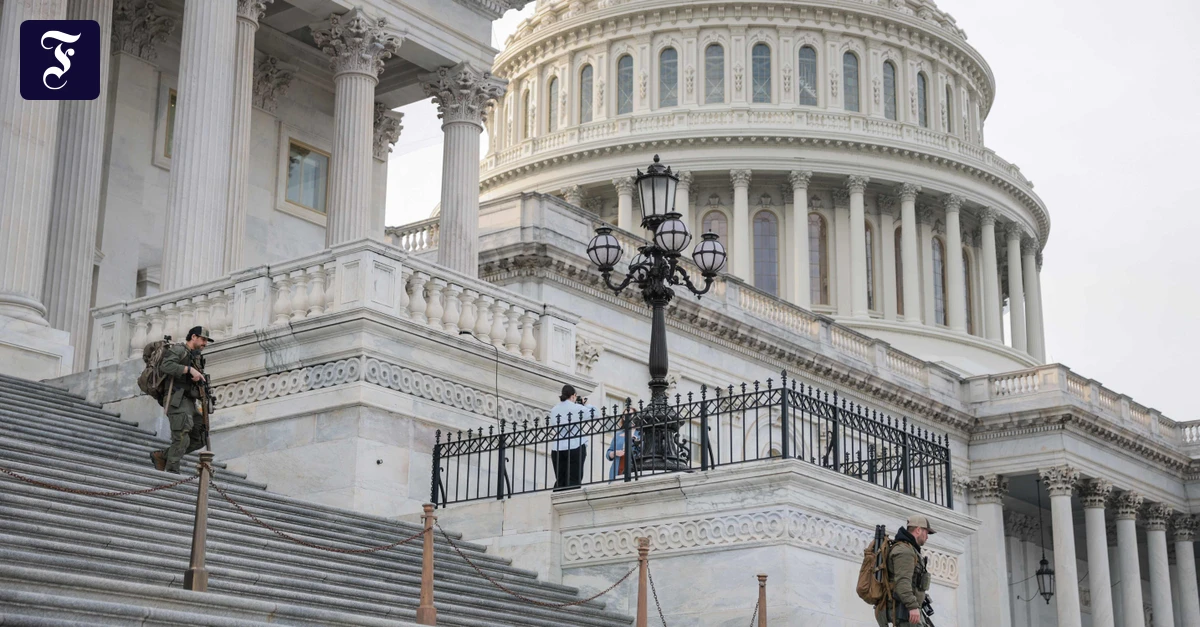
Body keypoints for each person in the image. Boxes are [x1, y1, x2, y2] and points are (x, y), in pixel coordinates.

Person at [149, 326, 212, 474]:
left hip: (190, 401)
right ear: (194, 337)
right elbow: (166, 366)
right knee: (182, 435)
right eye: (203, 339)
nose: (205, 343)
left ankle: (162, 456)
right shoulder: (179, 350)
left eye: (206, 341)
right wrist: (189, 370)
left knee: (200, 437)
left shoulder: (195, 356)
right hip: (176, 399)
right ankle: (172, 472)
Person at [876, 514, 934, 626]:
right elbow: (902, 583)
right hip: (903, 614)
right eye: (926, 532)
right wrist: (912, 606)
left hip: (907, 613)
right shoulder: (904, 551)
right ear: (918, 530)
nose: (927, 537)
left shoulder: (910, 550)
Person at [547, 384, 599, 490]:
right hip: (576, 445)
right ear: (573, 395)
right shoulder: (577, 408)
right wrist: (586, 404)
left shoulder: (554, 410)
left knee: (560, 479)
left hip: (558, 447)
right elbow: (595, 413)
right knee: (574, 479)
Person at [605, 410, 640, 481]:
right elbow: (608, 453)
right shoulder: (618, 434)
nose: (628, 417)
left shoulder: (641, 433)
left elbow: (645, 449)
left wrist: (636, 440)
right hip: (618, 466)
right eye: (625, 416)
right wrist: (615, 453)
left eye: (631, 414)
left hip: (635, 466)